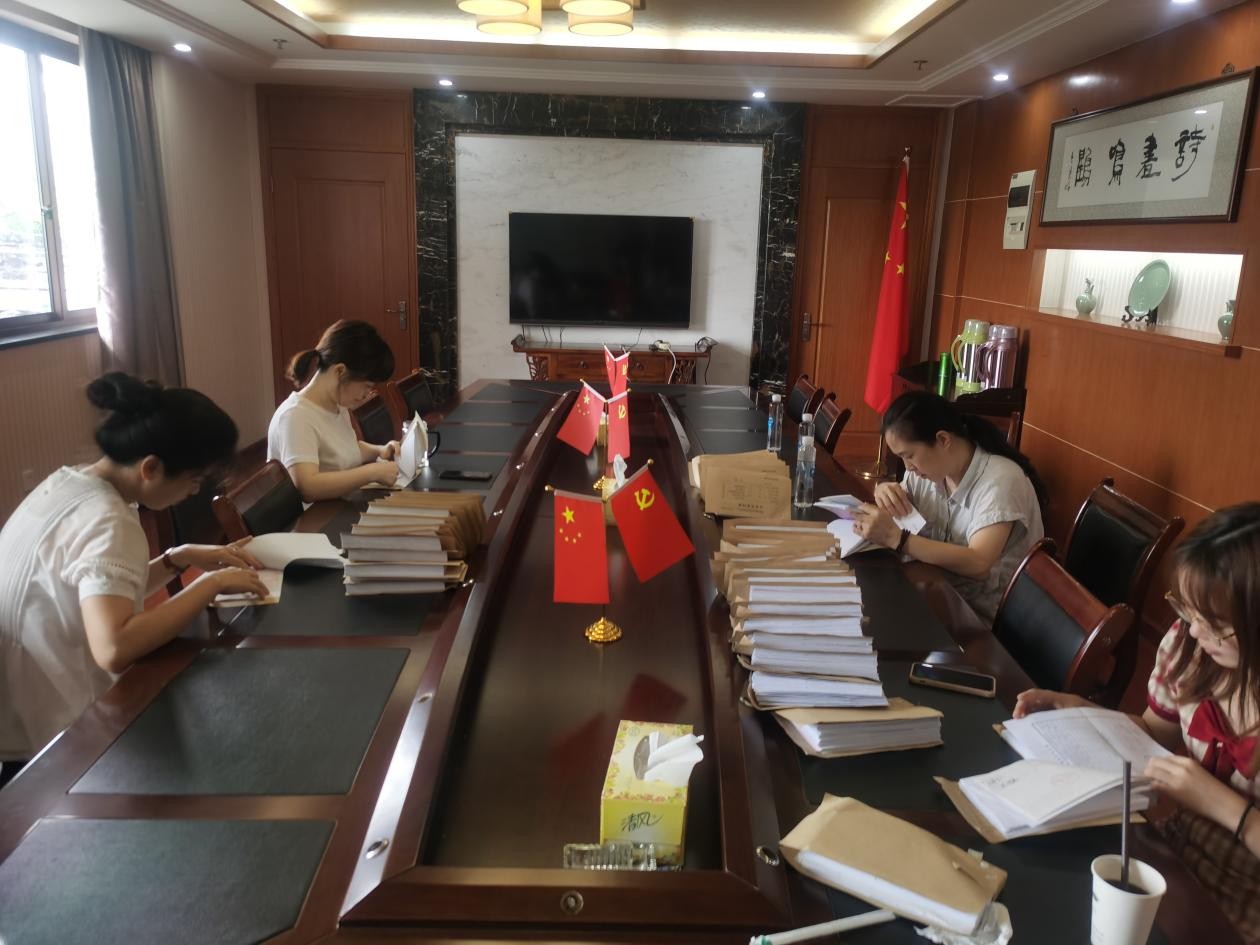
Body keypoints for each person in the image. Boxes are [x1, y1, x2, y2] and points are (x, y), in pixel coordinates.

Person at [0, 373, 269, 783]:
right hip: (52, 737)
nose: (192, 492)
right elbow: (114, 645)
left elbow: (97, 590)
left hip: (15, 706)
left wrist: (178, 558)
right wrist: (209, 585)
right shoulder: (108, 520)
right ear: (151, 467)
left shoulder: (68, 482)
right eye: (194, 481)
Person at [1014, 503, 1260, 941]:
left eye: (1216, 623)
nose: (1195, 631)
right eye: (1190, 612)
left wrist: (1221, 804)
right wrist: (1081, 712)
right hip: (1180, 852)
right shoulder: (1192, 648)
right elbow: (1153, 731)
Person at [851, 390, 1046, 623]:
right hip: (938, 595)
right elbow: (897, 515)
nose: (908, 467)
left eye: (909, 455)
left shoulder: (1001, 481)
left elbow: (978, 562)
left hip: (987, 620)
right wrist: (884, 493)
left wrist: (898, 539)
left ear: (943, 440)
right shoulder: (926, 472)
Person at [267, 319, 400, 501]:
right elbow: (308, 486)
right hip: (319, 516)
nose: (368, 393)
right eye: (367, 386)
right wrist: (372, 472)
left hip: (340, 505)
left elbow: (342, 450)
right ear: (340, 371)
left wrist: (379, 450)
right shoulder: (295, 417)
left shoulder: (336, 405)